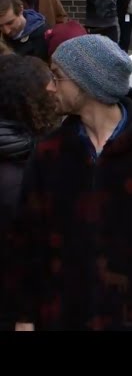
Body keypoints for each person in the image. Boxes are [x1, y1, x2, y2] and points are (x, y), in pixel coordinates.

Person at [5, 34, 132, 330]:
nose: (50, 87)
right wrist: (24, 316)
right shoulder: (50, 153)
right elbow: (27, 241)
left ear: (88, 82)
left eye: (57, 76)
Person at [0, 55, 59, 330]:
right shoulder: (16, 179)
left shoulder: (23, 152)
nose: (57, 96)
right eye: (50, 92)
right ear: (30, 103)